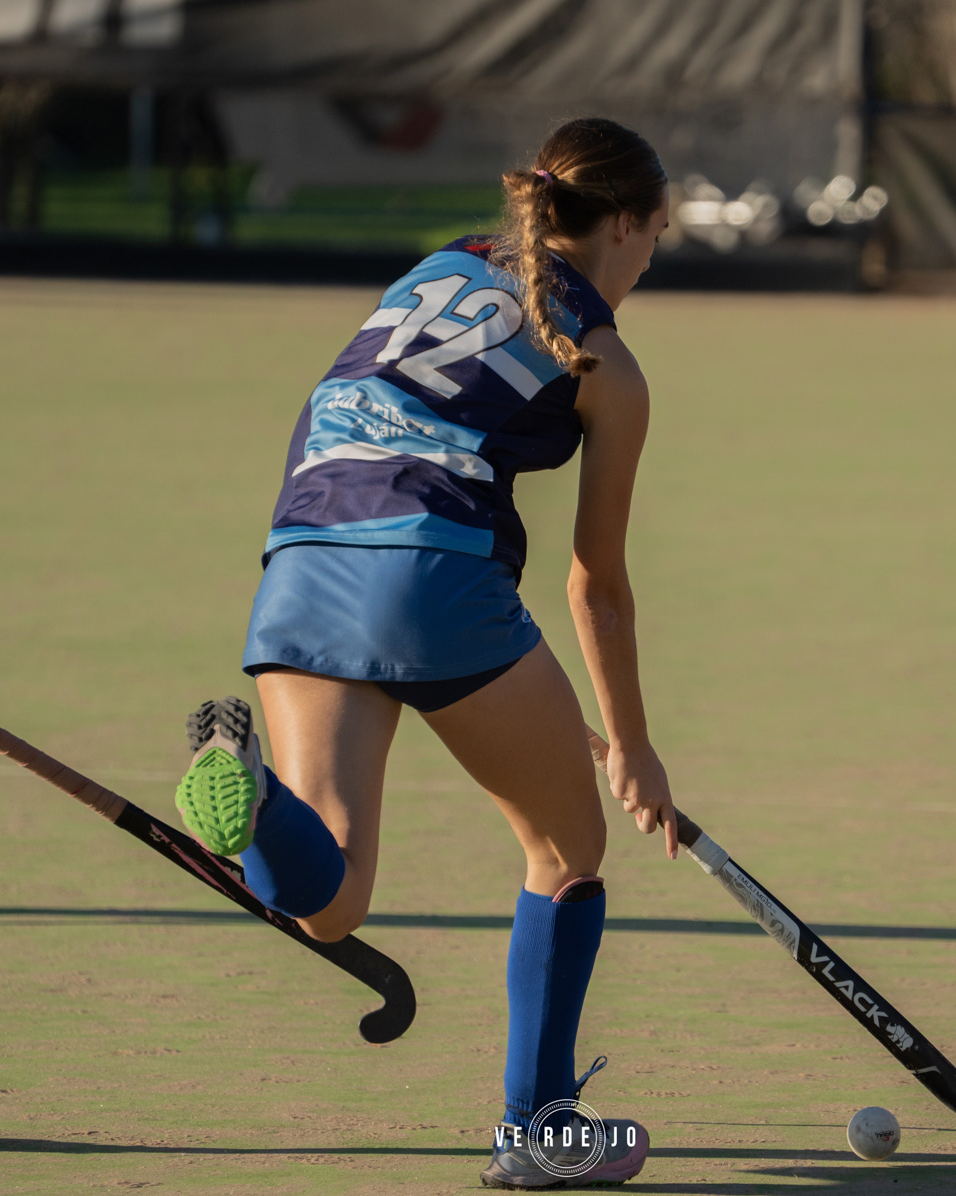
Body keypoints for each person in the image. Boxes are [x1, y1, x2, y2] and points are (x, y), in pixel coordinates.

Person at [171, 117, 675, 1189]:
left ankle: (255, 795)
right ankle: (537, 1128)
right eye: (653, 239)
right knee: (567, 849)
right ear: (627, 224)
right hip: (435, 574)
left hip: (302, 551)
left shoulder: (442, 267)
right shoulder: (610, 365)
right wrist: (631, 746)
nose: (648, 263)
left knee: (332, 894)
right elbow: (599, 584)